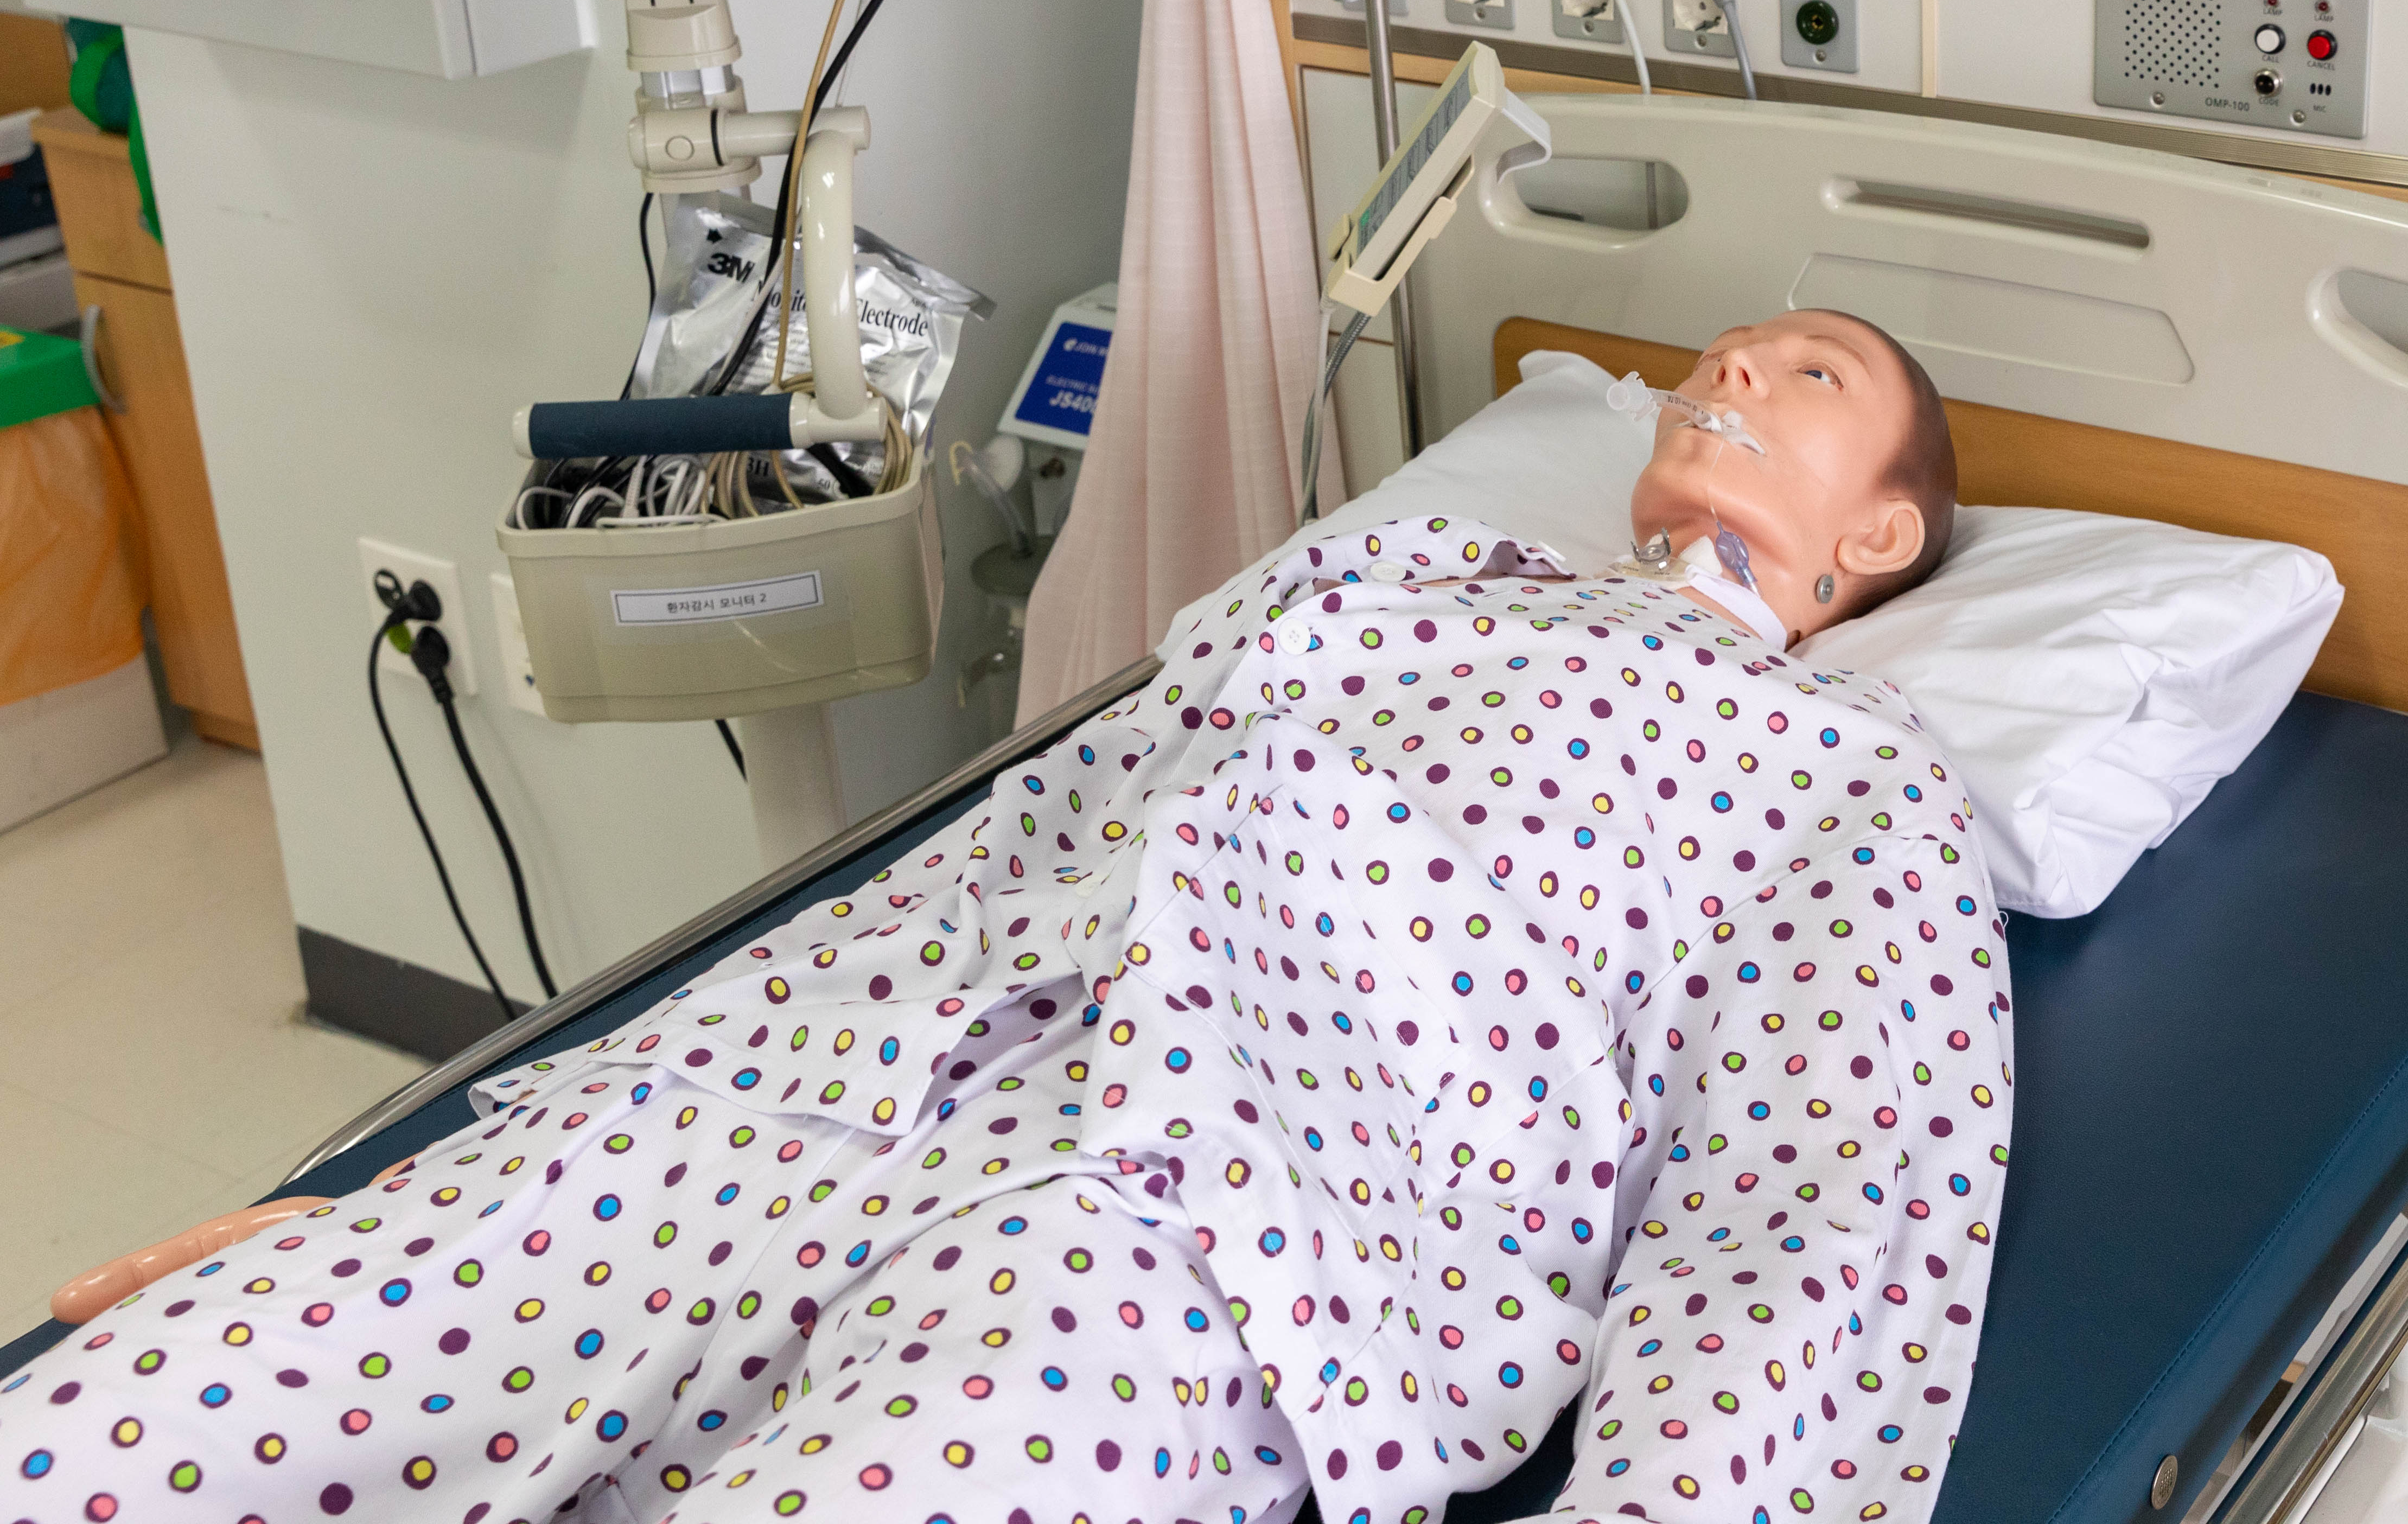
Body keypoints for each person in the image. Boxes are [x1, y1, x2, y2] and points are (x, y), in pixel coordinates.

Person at [7, 313, 2004, 1524]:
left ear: (1884, 531)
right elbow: (966, 867)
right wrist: (445, 1188)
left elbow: (1810, 1218)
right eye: (1730, 348)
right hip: (834, 1095)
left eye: (1810, 371)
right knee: (152, 1405)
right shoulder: (1384, 585)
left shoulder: (1855, 784)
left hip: (1206, 1230)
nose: (1735, 365)